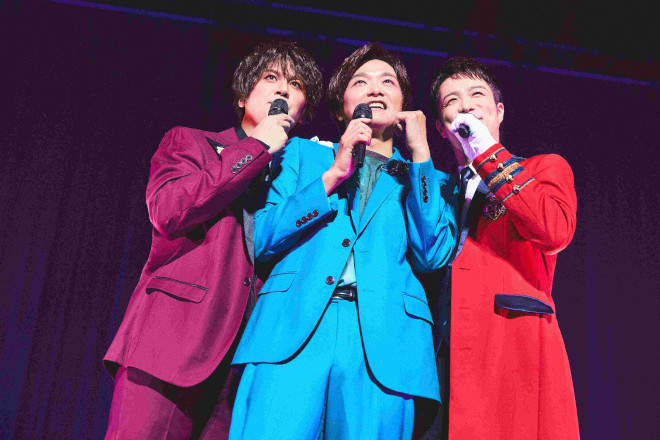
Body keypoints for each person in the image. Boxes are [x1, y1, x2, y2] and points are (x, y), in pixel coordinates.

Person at [227, 43, 457, 440]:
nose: (375, 89)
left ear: (404, 105)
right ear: (340, 108)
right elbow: (261, 238)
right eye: (360, 82)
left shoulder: (428, 179)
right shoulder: (300, 155)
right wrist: (333, 174)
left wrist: (421, 153)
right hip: (291, 328)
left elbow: (432, 253)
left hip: (384, 343)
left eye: (388, 82)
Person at [102, 40, 322, 440]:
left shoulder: (303, 176)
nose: (283, 89)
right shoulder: (191, 142)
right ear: (241, 97)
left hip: (244, 366)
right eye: (271, 77)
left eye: (296, 84)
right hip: (171, 345)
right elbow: (169, 210)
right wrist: (257, 147)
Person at [421, 56, 579, 439]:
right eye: (451, 101)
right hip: (440, 359)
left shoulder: (543, 169)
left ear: (499, 111)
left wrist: (484, 151)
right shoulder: (434, 190)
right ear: (441, 127)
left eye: (477, 95)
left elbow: (554, 231)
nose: (466, 106)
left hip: (509, 351)